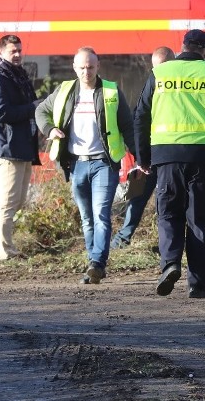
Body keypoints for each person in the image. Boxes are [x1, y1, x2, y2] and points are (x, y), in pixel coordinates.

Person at [134, 29, 205, 299]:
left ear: (182, 46)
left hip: (166, 155)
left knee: (168, 213)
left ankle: (170, 264)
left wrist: (142, 157)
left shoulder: (160, 74)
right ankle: (197, 284)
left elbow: (141, 116)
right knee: (199, 219)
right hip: (204, 156)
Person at [35, 46, 136, 285]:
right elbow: (41, 110)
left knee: (101, 215)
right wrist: (50, 129)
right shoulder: (65, 91)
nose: (86, 72)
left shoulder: (110, 91)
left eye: (90, 67)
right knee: (86, 218)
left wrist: (140, 157)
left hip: (104, 163)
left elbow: (127, 126)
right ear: (74, 68)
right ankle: (93, 264)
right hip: (76, 165)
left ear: (98, 66)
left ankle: (97, 263)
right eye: (81, 67)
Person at [0, 34, 41, 261]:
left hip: (20, 145)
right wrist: (33, 107)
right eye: (13, 51)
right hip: (7, 147)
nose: (18, 54)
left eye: (20, 50)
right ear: (0, 52)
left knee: (15, 201)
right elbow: (1, 112)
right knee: (8, 202)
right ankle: (5, 251)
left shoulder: (15, 75)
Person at [110, 46, 175, 250]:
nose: (159, 72)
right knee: (136, 197)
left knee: (170, 201)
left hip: (168, 156)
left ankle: (171, 242)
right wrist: (139, 156)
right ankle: (122, 238)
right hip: (149, 155)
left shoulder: (177, 88)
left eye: (162, 67)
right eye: (155, 68)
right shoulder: (153, 83)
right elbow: (138, 118)